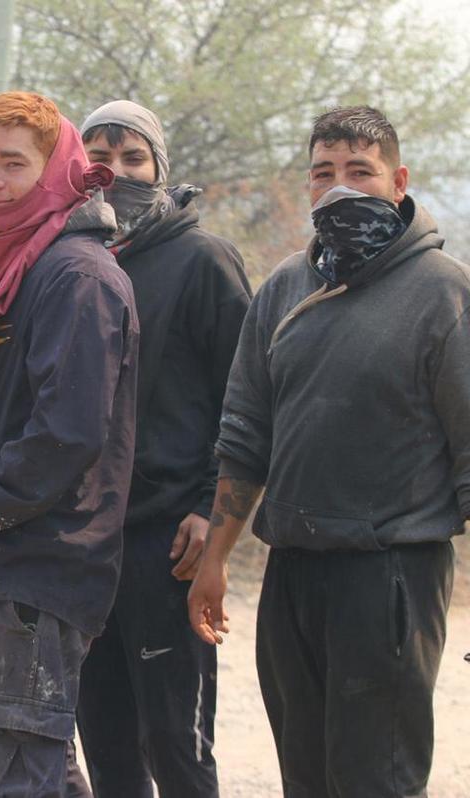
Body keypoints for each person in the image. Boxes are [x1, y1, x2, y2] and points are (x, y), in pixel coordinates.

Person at [189, 106, 466, 796]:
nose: (339, 187)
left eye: (359, 173)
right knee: (305, 778)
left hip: (391, 573)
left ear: (398, 181)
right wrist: (215, 559)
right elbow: (246, 431)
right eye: (323, 173)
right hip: (292, 572)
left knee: (377, 779)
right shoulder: (287, 284)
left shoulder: (443, 291)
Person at [0, 91, 139, 797]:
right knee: (32, 769)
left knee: (9, 776)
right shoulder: (17, 263)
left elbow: (63, 439)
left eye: (14, 163)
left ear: (57, 169)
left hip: (41, 563)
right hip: (11, 560)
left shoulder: (76, 276)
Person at [74, 100, 251, 798]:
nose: (113, 173)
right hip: (84, 545)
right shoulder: (69, 260)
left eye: (132, 157)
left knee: (176, 745)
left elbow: (245, 398)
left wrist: (214, 510)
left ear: (159, 167)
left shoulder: (202, 260)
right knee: (106, 745)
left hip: (168, 542)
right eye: (98, 159)